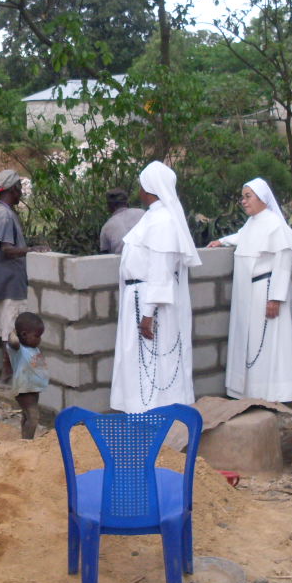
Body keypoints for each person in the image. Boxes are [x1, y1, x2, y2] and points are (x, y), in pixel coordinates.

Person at [110, 161, 201, 413]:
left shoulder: (162, 222)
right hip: (139, 297)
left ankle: (153, 415)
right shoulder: (153, 217)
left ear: (149, 187)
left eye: (141, 184)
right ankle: (142, 412)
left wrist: (148, 314)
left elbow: (160, 271)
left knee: (152, 362)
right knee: (143, 363)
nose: (139, 190)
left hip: (148, 302)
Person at [207, 178, 292, 403]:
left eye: (248, 196)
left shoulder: (274, 224)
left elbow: (283, 261)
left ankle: (275, 393)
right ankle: (253, 392)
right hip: (250, 294)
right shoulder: (253, 223)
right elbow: (243, 237)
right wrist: (222, 241)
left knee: (268, 344)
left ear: (262, 198)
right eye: (243, 197)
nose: (243, 201)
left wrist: (276, 298)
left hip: (266, 292)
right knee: (252, 343)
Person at [0, 169, 46, 386]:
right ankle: (15, 376)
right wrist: (32, 249)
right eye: (19, 187)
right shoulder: (6, 215)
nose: (21, 192)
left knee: (4, 331)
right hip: (11, 281)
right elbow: (8, 249)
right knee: (15, 332)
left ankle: (7, 375)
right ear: (13, 189)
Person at [6, 312, 49, 440]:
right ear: (24, 334)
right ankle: (28, 442)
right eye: (37, 336)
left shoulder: (32, 348)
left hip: (33, 388)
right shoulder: (18, 350)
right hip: (24, 390)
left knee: (27, 415)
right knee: (33, 416)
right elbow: (13, 341)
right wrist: (14, 332)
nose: (40, 339)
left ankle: (24, 438)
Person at [99, 188, 145, 255]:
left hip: (124, 263)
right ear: (127, 202)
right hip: (150, 259)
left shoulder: (106, 228)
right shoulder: (142, 213)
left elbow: (104, 257)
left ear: (109, 207)